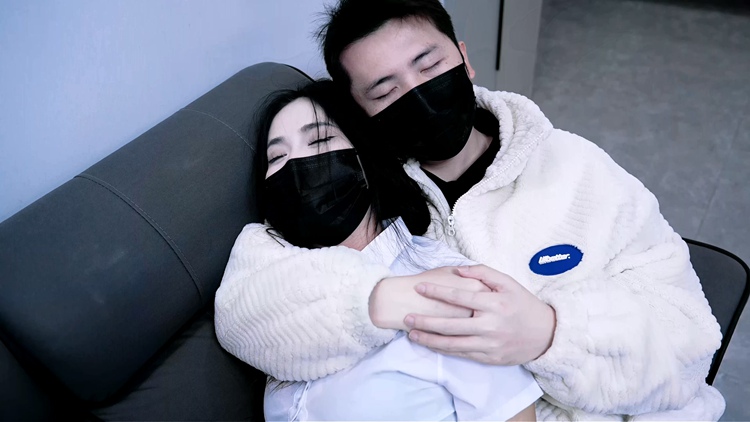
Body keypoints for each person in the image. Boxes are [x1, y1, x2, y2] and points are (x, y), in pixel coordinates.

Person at [215, 0, 725, 420]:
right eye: (385, 90)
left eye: (429, 66)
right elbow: (251, 307)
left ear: (463, 57)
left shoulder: (577, 170)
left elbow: (689, 340)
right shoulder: (353, 194)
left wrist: (551, 333)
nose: (417, 94)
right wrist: (379, 299)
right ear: (359, 113)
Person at [237, 79, 542, 421]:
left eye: (320, 140)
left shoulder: (450, 286)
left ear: (365, 158)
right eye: (277, 156)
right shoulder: (276, 281)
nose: (297, 164)